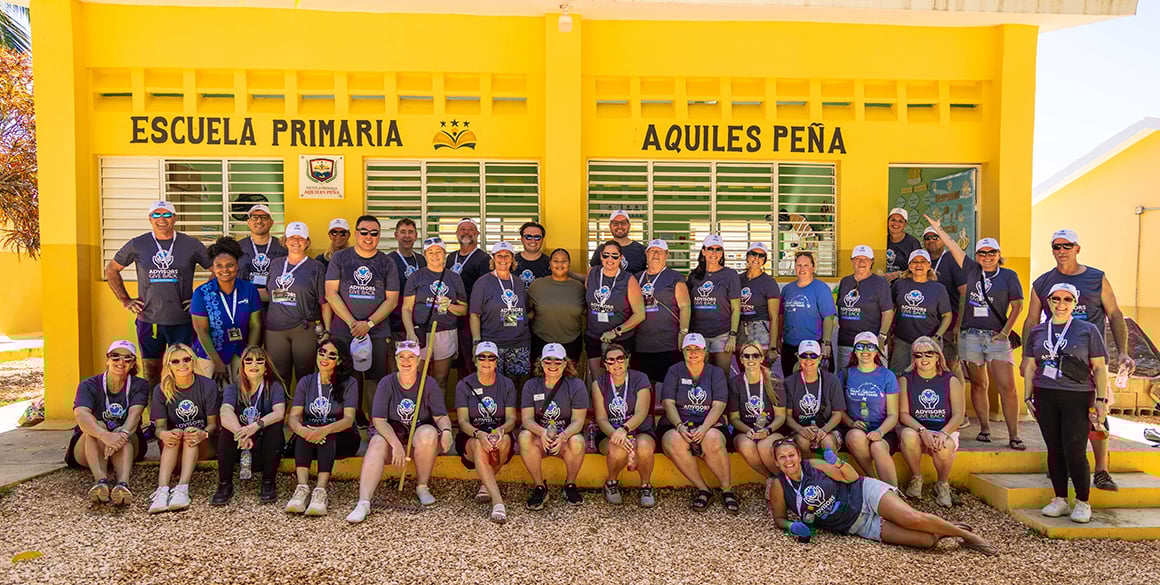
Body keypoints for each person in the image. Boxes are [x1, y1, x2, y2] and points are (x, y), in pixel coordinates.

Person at [1023, 228, 1134, 492]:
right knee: (1058, 416)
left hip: (1091, 360)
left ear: (1077, 248)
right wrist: (1027, 358)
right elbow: (1031, 319)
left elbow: (1115, 314)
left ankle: (1102, 470)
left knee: (1098, 415)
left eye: (1067, 245)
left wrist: (1123, 351)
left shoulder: (1096, 277)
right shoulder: (1042, 282)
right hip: (1055, 361)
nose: (1061, 251)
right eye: (1056, 246)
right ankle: (1063, 466)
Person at [769, 440, 996, 555]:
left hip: (863, 493)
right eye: (782, 458)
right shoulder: (779, 486)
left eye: (791, 455)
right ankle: (944, 528)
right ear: (776, 462)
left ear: (799, 455)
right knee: (927, 542)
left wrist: (836, 461)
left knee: (911, 517)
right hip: (856, 524)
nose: (788, 461)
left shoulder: (814, 465)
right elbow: (779, 518)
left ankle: (966, 536)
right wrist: (792, 526)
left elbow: (850, 478)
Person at [926, 216, 1024, 449]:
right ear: (977, 255)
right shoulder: (970, 269)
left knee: (1007, 387)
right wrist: (939, 230)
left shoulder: (1009, 276)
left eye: (992, 253)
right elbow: (953, 247)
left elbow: (1018, 305)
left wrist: (1005, 332)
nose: (987, 257)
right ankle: (985, 429)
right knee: (979, 384)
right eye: (982, 253)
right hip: (971, 335)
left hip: (996, 336)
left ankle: (1014, 434)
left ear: (999, 254)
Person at [1023, 283, 1109, 523]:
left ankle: (1083, 501)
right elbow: (1031, 366)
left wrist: (1101, 400)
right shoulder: (1039, 330)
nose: (1061, 304)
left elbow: (1100, 367)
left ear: (1075, 302)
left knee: (1074, 448)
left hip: (1078, 396)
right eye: (1056, 299)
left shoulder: (1087, 329)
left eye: (1067, 299)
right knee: (1054, 448)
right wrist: (1027, 396)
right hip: (1045, 393)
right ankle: (1060, 498)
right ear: (1048, 301)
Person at [105, 200, 210, 386]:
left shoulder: (190, 244)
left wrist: (200, 298)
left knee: (184, 371)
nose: (162, 219)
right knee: (151, 372)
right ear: (150, 218)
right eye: (156, 214)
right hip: (149, 321)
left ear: (175, 218)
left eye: (167, 214)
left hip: (183, 321)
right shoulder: (138, 244)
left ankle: (182, 412)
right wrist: (125, 299)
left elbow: (218, 269)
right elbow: (112, 269)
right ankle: (155, 413)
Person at [347, 340, 454, 522]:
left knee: (428, 433)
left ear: (419, 360)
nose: (406, 361)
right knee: (377, 442)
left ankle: (422, 487)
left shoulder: (428, 383)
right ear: (396, 360)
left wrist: (447, 430)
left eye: (411, 357)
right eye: (402, 357)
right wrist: (396, 444)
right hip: (394, 438)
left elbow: (440, 416)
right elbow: (379, 421)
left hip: (419, 443)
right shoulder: (386, 383)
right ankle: (363, 502)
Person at [325, 215, 401, 416]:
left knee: (375, 378)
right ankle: (347, 422)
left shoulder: (387, 262)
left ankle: (375, 423)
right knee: (344, 377)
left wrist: (368, 323)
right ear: (356, 233)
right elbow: (330, 293)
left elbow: (392, 300)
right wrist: (352, 323)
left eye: (374, 233)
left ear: (379, 235)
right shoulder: (339, 258)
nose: (369, 237)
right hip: (344, 329)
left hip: (376, 331)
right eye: (364, 232)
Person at [660, 333, 736, 513]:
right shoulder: (674, 371)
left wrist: (703, 428)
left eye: (697, 349)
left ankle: (727, 489)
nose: (693, 353)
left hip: (709, 423)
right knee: (674, 441)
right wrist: (679, 426)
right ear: (683, 351)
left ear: (705, 351)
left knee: (712, 439)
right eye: (688, 349)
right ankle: (703, 488)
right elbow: (668, 402)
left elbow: (719, 404)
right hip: (678, 423)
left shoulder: (715, 372)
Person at [68, 340, 150, 506]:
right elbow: (81, 415)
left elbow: (135, 415)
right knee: (97, 425)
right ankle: (100, 481)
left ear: (133, 363)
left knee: (122, 430)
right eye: (115, 357)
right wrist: (103, 435)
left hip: (126, 440)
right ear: (107, 359)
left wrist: (120, 435)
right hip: (90, 443)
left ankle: (123, 484)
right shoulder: (88, 385)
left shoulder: (140, 385)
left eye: (127, 358)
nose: (121, 362)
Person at [286, 340, 361, 516]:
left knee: (328, 434)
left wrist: (324, 430)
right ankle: (302, 489)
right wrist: (302, 430)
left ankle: (320, 492)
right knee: (305, 430)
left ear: (340, 360)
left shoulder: (350, 383)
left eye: (331, 355)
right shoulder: (306, 381)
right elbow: (293, 417)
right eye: (322, 352)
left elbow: (349, 420)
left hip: (343, 438)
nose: (324, 358)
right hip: (312, 437)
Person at [147, 343, 220, 514]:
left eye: (186, 359)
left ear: (193, 361)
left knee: (190, 432)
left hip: (202, 444)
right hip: (174, 446)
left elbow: (213, 425)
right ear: (168, 365)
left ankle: (182, 488)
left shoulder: (207, 386)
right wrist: (164, 434)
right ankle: (162, 489)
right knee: (177, 433)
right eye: (176, 361)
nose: (182, 364)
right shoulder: (161, 389)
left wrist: (203, 434)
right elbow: (159, 429)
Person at [453, 342, 518, 523]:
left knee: (504, 440)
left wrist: (500, 431)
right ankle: (498, 501)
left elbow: (512, 419)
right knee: (479, 445)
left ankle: (486, 484)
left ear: (497, 361)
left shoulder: (506, 384)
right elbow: (462, 421)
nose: (487, 361)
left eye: (491, 357)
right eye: (482, 357)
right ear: (475, 360)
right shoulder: (464, 384)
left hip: (498, 432)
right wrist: (479, 434)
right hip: (471, 435)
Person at [519, 343, 590, 509]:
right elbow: (527, 419)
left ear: (565, 364)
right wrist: (542, 432)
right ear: (541, 363)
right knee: (524, 436)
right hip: (540, 437)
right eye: (548, 361)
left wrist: (563, 435)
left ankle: (570, 485)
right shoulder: (531, 385)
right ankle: (539, 487)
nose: (552, 365)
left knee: (578, 441)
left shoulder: (576, 385)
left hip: (564, 438)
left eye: (557, 361)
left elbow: (578, 421)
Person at [213, 345, 286, 506]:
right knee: (226, 430)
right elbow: (225, 413)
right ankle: (225, 484)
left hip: (262, 444)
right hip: (241, 444)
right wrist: (241, 433)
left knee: (274, 428)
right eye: (249, 361)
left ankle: (268, 482)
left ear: (266, 368)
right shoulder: (233, 388)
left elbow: (279, 412)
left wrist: (256, 426)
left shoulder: (274, 387)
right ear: (243, 367)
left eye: (259, 361)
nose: (254, 365)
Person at [898, 336, 965, 508]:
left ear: (937, 357)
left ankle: (942, 484)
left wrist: (943, 433)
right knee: (907, 435)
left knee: (945, 446)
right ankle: (916, 479)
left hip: (943, 429)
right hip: (917, 428)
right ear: (913, 358)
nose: (924, 358)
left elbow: (959, 414)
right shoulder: (906, 379)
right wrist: (922, 430)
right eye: (918, 355)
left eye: (929, 354)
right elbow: (903, 414)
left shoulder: (951, 380)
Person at [403, 236, 468, 409]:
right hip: (421, 333)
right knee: (418, 377)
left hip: (446, 332)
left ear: (444, 254)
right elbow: (406, 308)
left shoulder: (454, 278)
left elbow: (464, 309)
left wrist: (451, 306)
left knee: (441, 378)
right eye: (430, 252)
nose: (435, 256)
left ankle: (438, 414)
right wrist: (410, 332)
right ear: (425, 254)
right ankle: (418, 414)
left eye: (438, 252)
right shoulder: (416, 277)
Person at [591, 343, 657, 507]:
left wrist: (624, 429)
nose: (616, 364)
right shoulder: (598, 384)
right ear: (605, 364)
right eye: (611, 360)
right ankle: (611, 483)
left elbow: (641, 412)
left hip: (640, 429)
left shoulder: (640, 378)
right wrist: (616, 435)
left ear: (627, 360)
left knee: (644, 446)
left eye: (620, 359)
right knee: (617, 448)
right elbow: (601, 418)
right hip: (609, 432)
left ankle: (646, 486)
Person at [190, 237, 263, 385]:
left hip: (239, 352)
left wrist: (248, 356)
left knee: (241, 396)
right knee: (211, 399)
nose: (224, 270)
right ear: (213, 267)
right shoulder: (201, 293)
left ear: (237, 266)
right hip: (210, 354)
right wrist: (217, 362)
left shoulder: (249, 290)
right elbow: (201, 331)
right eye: (219, 265)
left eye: (229, 265)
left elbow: (255, 325)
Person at [265, 221, 330, 387]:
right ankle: (280, 411)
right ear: (285, 240)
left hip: (304, 329)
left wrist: (327, 331)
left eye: (301, 238)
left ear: (307, 242)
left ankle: (303, 412)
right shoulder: (276, 264)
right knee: (278, 375)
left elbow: (324, 303)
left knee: (305, 374)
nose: (296, 241)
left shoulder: (316, 267)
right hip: (275, 329)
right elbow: (268, 292)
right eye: (292, 237)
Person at [840, 332, 900, 487]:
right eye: (860, 346)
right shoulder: (846, 374)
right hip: (856, 429)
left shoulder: (887, 376)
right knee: (854, 436)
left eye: (870, 346)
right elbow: (838, 409)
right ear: (854, 350)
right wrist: (851, 423)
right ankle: (875, 482)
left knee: (878, 446)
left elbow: (893, 415)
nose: (865, 351)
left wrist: (880, 431)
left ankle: (893, 491)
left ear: (876, 351)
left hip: (883, 430)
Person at [727, 341, 786, 491]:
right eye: (746, 356)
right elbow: (734, 418)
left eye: (755, 355)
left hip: (771, 429)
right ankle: (770, 479)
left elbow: (780, 416)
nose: (750, 359)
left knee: (765, 445)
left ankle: (785, 482)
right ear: (741, 360)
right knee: (747, 446)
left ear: (762, 358)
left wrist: (767, 431)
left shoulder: (773, 380)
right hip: (745, 430)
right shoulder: (735, 383)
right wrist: (748, 431)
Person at [470, 241, 531, 384]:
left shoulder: (518, 283)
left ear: (512, 259)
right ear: (493, 258)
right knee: (492, 384)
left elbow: (525, 310)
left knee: (515, 384)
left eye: (507, 256)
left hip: (518, 343)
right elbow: (474, 314)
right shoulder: (482, 283)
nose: (503, 259)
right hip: (492, 343)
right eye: (499, 256)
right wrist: (476, 342)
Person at [585, 240, 646, 380]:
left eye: (614, 256)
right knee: (598, 380)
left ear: (621, 258)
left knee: (619, 380)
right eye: (606, 255)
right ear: (600, 256)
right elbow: (588, 298)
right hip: (594, 336)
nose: (610, 259)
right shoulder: (592, 272)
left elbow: (640, 314)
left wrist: (616, 331)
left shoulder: (628, 279)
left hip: (621, 339)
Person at [633, 239, 691, 384]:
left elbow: (685, 306)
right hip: (641, 344)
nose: (656, 254)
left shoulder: (674, 277)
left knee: (670, 388)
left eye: (660, 251)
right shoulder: (636, 278)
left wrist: (683, 332)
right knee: (644, 388)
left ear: (666, 255)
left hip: (668, 344)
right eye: (652, 251)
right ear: (646, 254)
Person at [890, 250, 952, 375]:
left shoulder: (938, 288)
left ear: (929, 265)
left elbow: (947, 316)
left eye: (923, 261)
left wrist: (937, 336)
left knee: (927, 376)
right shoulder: (899, 284)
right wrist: (888, 333)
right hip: (903, 340)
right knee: (898, 375)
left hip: (929, 340)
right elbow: (891, 309)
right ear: (909, 265)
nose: (919, 265)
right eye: (915, 262)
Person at [687, 234, 742, 373]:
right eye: (710, 249)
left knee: (722, 377)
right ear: (703, 251)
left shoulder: (730, 275)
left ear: (722, 253)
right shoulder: (693, 276)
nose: (714, 253)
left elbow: (736, 308)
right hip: (698, 334)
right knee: (700, 377)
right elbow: (687, 307)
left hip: (722, 335)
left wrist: (733, 336)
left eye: (718, 249)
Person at [834, 245, 894, 368]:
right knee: (845, 379)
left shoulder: (880, 283)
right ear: (852, 261)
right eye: (857, 258)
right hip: (846, 342)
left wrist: (882, 336)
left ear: (872, 262)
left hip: (871, 343)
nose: (861, 262)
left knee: (873, 379)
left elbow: (887, 312)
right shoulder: (845, 281)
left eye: (865, 259)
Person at [779, 251, 838, 376]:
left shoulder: (821, 289)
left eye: (806, 265)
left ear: (813, 268)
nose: (802, 269)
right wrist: (779, 340)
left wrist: (826, 344)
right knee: (791, 385)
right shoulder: (787, 289)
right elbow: (781, 316)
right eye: (798, 265)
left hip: (813, 347)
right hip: (790, 346)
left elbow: (829, 317)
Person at [783, 340, 846, 453]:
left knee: (827, 443)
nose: (808, 360)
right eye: (804, 356)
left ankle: (831, 470)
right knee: (802, 442)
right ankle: (808, 470)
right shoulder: (789, 382)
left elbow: (838, 414)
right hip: (799, 429)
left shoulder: (832, 380)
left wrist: (824, 430)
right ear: (798, 357)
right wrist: (800, 429)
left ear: (820, 357)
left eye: (813, 356)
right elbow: (787, 416)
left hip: (828, 428)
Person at [920, 225, 967, 372]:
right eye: (927, 238)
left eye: (936, 237)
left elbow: (965, 293)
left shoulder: (952, 259)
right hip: (928, 323)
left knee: (951, 364)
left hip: (950, 323)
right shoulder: (922, 261)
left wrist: (958, 325)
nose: (931, 241)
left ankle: (957, 395)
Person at [527, 248, 587, 362]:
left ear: (569, 264)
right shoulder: (537, 285)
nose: (560, 264)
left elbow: (586, 311)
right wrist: (509, 320)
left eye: (564, 261)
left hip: (572, 342)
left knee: (569, 379)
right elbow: (528, 311)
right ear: (550, 264)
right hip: (541, 342)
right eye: (556, 261)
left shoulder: (579, 287)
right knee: (540, 378)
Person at [387, 218, 426, 373]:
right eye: (403, 232)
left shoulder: (422, 260)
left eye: (410, 232)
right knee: (397, 368)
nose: (407, 236)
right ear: (396, 235)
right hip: (396, 325)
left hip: (419, 325)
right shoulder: (388, 260)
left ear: (416, 236)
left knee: (418, 370)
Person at [738, 242, 780, 364]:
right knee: (743, 369)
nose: (756, 258)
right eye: (753, 254)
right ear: (747, 256)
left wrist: (772, 346)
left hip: (760, 330)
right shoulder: (737, 279)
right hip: (741, 331)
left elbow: (774, 317)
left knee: (761, 371)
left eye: (761, 256)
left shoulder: (769, 282)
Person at [237, 203, 288, 299]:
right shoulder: (237, 247)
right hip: (244, 301)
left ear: (271, 222)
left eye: (264, 217)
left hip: (274, 302)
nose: (259, 221)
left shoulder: (283, 247)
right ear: (248, 222)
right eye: (254, 217)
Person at [589, 209, 647, 274]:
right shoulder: (602, 249)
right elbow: (591, 274)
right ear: (610, 226)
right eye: (615, 223)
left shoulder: (641, 250)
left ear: (629, 225)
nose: (620, 226)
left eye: (623, 223)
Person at [884, 207, 921, 281]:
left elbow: (919, 268)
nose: (896, 223)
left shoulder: (912, 243)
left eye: (900, 221)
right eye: (893, 220)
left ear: (905, 224)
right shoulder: (882, 240)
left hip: (905, 285)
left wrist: (898, 274)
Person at [516, 221, 551, 286]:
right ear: (521, 239)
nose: (533, 241)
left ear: (542, 240)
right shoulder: (510, 262)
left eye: (537, 237)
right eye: (528, 237)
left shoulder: (551, 264)